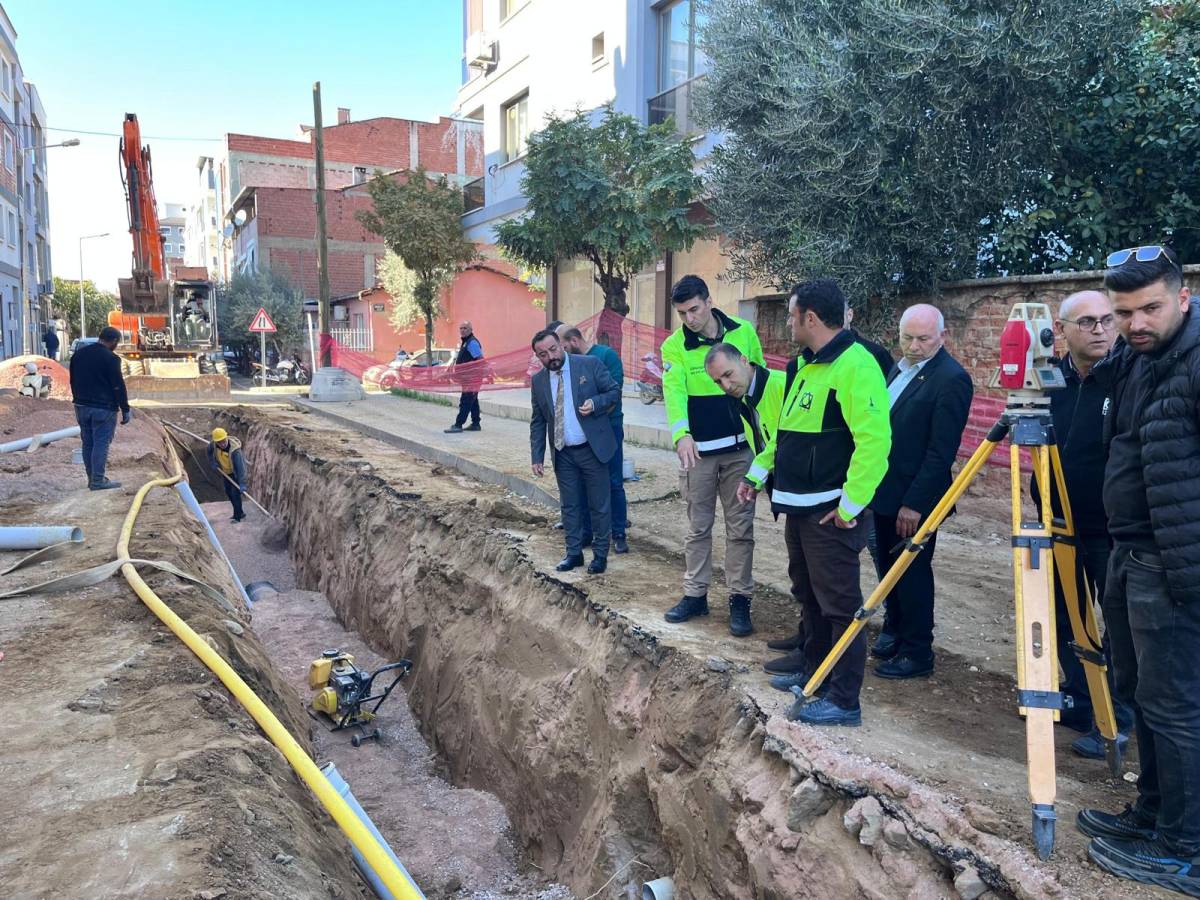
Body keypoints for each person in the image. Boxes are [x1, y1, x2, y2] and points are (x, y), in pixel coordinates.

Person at [1075, 245, 1200, 894]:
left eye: (1150, 308)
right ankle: (1153, 815)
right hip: (1129, 554)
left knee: (1177, 710)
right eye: (1124, 313)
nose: (1135, 323)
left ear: (1184, 296)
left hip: (1176, 570)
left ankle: (1188, 849)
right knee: (1143, 697)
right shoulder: (1140, 358)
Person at [739, 279, 890, 726]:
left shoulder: (856, 365)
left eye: (790, 315)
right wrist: (757, 473)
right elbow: (785, 434)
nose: (786, 322)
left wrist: (850, 505)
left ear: (810, 318)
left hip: (829, 512)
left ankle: (844, 700)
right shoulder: (804, 366)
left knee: (840, 605)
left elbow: (874, 443)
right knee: (809, 595)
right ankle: (814, 672)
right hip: (798, 505)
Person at [1030, 290, 1134, 759]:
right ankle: (1078, 696)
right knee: (1066, 616)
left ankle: (1116, 716)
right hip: (1057, 521)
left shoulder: (1131, 375)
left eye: (1107, 321)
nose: (1100, 330)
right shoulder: (1051, 379)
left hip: (1112, 528)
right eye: (1088, 322)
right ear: (1064, 329)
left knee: (1118, 625)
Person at [862, 304, 973, 681]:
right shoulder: (900, 367)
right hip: (884, 491)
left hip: (915, 499)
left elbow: (941, 452)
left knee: (912, 573)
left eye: (923, 338)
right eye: (907, 337)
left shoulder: (951, 379)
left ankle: (917, 651)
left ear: (942, 337)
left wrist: (914, 504)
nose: (914, 345)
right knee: (888, 569)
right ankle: (895, 630)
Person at [661, 275, 763, 637]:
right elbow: (673, 392)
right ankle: (695, 595)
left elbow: (759, 386)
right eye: (682, 313)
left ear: (708, 301)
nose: (689, 318)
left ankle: (739, 600)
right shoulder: (674, 346)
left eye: (694, 309)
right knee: (697, 528)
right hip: (699, 456)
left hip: (740, 454)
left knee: (741, 528)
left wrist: (764, 446)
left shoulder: (744, 333)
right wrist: (681, 436)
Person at [529, 329, 621, 575]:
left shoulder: (589, 365)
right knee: (569, 506)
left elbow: (613, 391)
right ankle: (573, 554)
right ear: (538, 357)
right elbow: (538, 420)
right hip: (563, 452)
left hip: (592, 449)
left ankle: (600, 555)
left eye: (553, 349)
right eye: (543, 354)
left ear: (561, 345)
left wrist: (596, 404)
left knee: (599, 505)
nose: (551, 356)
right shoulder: (538, 381)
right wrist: (536, 456)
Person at [558, 325, 629, 554]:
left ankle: (618, 533)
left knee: (614, 482)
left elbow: (614, 392)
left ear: (575, 341)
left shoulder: (605, 355)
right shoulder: (569, 364)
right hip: (583, 433)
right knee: (585, 483)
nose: (562, 353)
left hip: (608, 428)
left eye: (564, 346)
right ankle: (589, 533)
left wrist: (594, 409)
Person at [68, 325, 131, 491]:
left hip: (81, 405)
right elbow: (117, 385)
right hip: (103, 408)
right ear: (114, 341)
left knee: (88, 443)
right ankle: (97, 481)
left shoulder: (78, 355)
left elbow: (72, 380)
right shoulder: (111, 358)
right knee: (101, 443)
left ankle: (92, 479)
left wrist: (78, 399)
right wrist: (125, 408)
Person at [445, 321, 484, 433]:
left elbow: (480, 359)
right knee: (473, 400)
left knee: (466, 400)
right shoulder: (466, 342)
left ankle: (458, 424)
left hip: (472, 378)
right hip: (468, 378)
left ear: (471, 330)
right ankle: (476, 424)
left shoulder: (472, 343)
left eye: (465, 328)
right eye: (461, 328)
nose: (462, 330)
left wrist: (474, 373)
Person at [207, 427, 247, 523]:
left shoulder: (235, 451)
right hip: (226, 472)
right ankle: (240, 512)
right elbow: (208, 451)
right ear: (216, 442)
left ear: (226, 437)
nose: (222, 444)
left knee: (235, 494)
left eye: (224, 441)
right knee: (228, 492)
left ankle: (237, 517)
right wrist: (212, 462)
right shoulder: (213, 445)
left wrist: (242, 483)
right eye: (219, 442)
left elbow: (241, 469)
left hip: (236, 473)